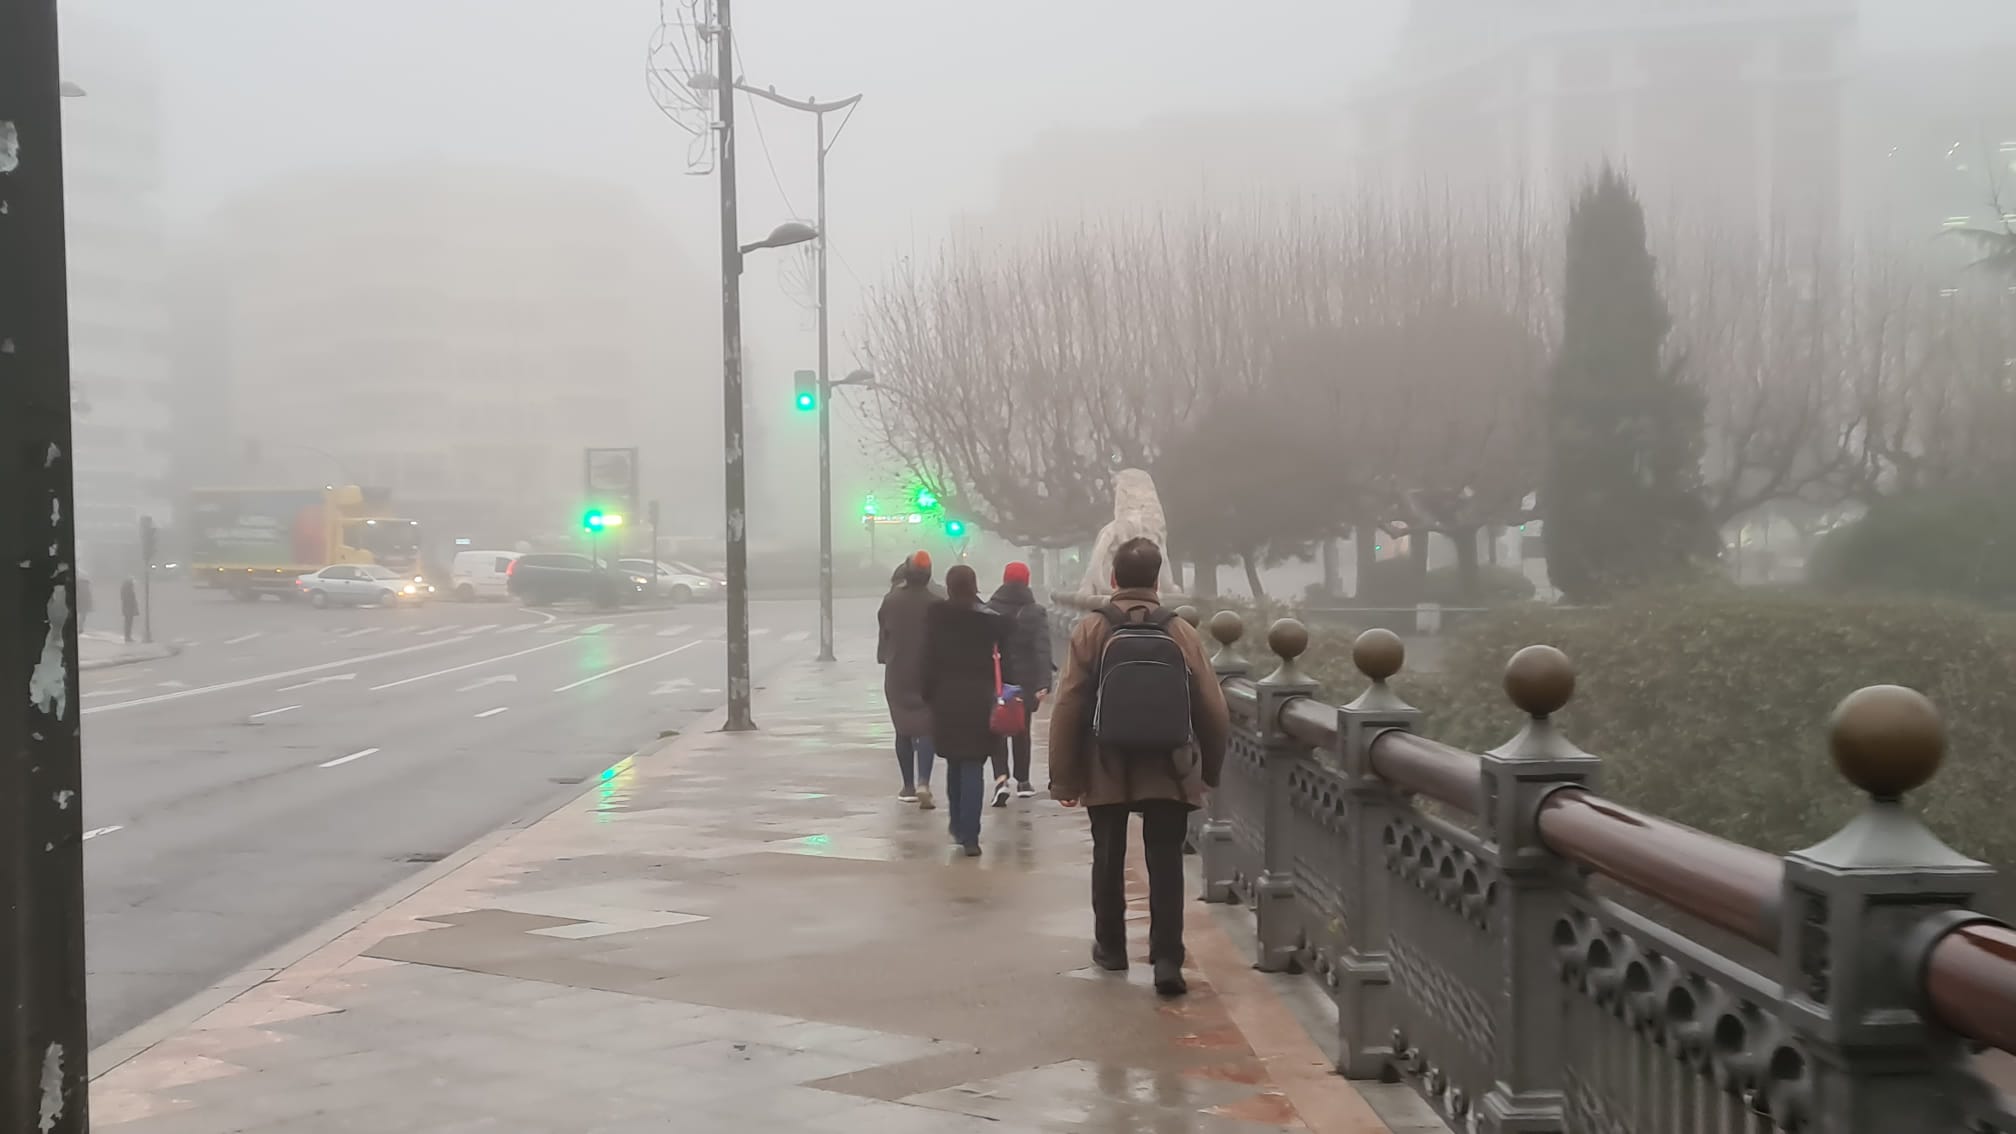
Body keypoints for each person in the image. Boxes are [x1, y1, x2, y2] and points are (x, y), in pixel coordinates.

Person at [1047, 537, 1228, 996]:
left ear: (1113, 579)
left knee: (1106, 855)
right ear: (1156, 580)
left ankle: (1111, 947)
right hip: (1169, 763)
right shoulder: (1180, 631)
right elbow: (1212, 705)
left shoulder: (1091, 629)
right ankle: (1167, 959)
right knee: (1165, 859)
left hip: (1104, 760)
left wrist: (1064, 776)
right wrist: (1209, 769)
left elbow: (1068, 704)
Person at [920, 564, 1013, 857]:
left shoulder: (936, 618)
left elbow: (927, 660)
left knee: (955, 763)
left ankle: (958, 826)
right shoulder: (990, 622)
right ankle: (971, 836)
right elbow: (1007, 657)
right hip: (980, 700)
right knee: (973, 763)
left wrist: (928, 695)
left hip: (946, 699)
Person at [985, 561, 1052, 804]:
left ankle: (1001, 779)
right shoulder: (1035, 611)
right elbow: (1042, 649)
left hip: (997, 679)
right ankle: (1023, 781)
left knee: (997, 729)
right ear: (1026, 580)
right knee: (1022, 729)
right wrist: (1044, 682)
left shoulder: (988, 609)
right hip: (1026, 680)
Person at [877, 552, 940, 807]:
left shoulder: (891, 601)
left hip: (898, 673)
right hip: (929, 673)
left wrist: (884, 656)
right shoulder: (937, 603)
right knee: (927, 727)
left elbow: (884, 636)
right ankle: (924, 779)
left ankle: (908, 786)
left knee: (902, 729)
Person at [120, 578, 140, 643]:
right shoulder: (128, 590)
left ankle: (128, 636)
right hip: (129, 609)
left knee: (128, 623)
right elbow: (130, 600)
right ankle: (127, 637)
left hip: (127, 609)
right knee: (128, 623)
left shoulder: (125, 589)